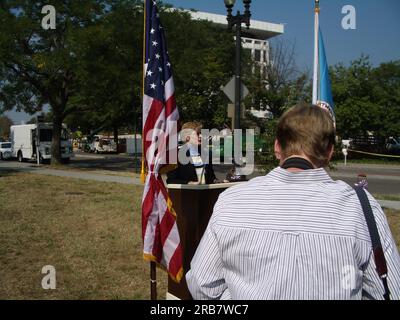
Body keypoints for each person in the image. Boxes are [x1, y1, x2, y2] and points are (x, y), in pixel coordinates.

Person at [186, 103, 400, 300]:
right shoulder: (362, 207)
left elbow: (202, 285)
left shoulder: (232, 200)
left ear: (277, 146)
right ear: (330, 152)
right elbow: (388, 291)